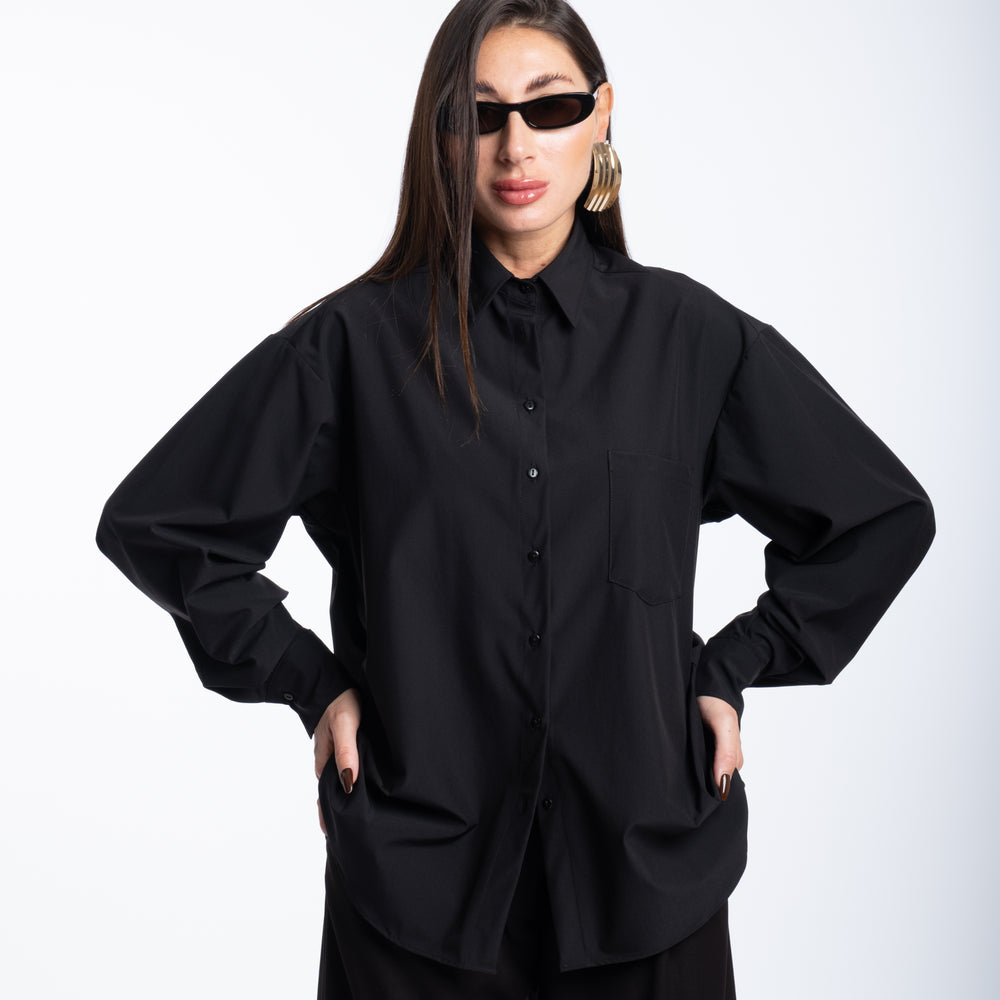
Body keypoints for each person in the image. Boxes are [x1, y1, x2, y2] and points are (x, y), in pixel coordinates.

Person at [96, 0, 935, 996]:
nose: (515, 145)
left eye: (550, 107)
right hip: (419, 894)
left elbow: (874, 517)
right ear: (441, 136)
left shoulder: (689, 339)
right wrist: (310, 684)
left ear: (601, 114)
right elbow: (164, 524)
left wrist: (729, 667)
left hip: (644, 883)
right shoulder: (353, 346)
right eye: (478, 114)